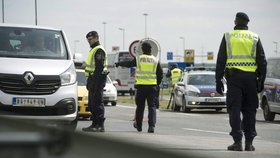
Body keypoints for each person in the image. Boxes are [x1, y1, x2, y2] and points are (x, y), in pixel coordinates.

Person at [215, 12, 267, 151]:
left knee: (234, 109)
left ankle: (237, 141)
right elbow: (262, 61)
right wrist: (261, 80)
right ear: (247, 23)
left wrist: (218, 80)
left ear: (236, 22)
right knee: (250, 110)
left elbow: (221, 60)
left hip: (234, 79)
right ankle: (249, 143)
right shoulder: (254, 37)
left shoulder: (228, 36)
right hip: (251, 79)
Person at [115, 42, 163, 133]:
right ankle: (151, 126)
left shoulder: (139, 59)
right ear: (151, 49)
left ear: (142, 50)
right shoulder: (155, 60)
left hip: (141, 87)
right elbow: (160, 74)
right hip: (152, 87)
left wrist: (119, 63)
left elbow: (128, 63)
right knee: (151, 107)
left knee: (140, 107)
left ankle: (139, 126)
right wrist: (157, 84)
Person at [82, 31, 108, 132]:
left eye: (91, 39)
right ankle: (94, 124)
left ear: (96, 38)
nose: (89, 41)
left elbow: (99, 67)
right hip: (93, 79)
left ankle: (100, 125)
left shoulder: (98, 50)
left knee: (97, 103)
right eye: (88, 39)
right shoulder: (93, 50)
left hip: (98, 79)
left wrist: (94, 82)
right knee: (92, 104)